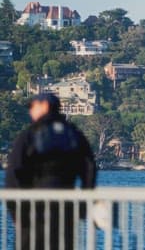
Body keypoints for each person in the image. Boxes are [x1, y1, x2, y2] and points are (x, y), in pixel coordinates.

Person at [5, 93, 97, 250]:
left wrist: (16, 211)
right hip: (65, 209)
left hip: (33, 209)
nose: (30, 112)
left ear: (45, 106)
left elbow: (13, 172)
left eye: (32, 107)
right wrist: (83, 206)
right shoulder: (73, 133)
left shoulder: (30, 134)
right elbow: (89, 170)